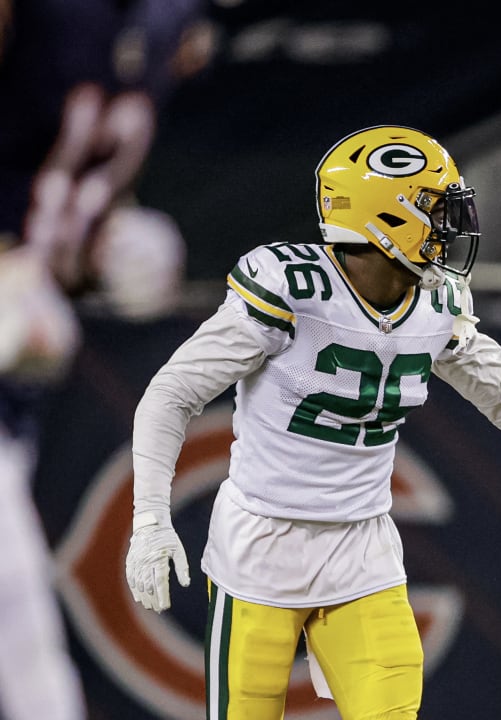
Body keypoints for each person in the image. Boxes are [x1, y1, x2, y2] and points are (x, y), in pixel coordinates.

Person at [124, 125, 501, 718]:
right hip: (262, 546)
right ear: (384, 218)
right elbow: (171, 393)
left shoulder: (438, 301)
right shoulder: (293, 289)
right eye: (434, 210)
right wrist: (150, 520)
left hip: (363, 550)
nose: (451, 226)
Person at [1, 1, 207, 716]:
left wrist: (96, 244)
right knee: (13, 591)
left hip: (15, 368)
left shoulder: (155, 26)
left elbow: (58, 183)